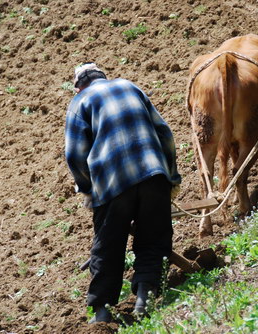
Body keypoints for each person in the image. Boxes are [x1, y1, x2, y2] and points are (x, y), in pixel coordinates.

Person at [64, 63, 181, 323]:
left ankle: (102, 312)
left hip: (113, 183)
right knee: (154, 238)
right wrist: (171, 176)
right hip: (153, 175)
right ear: (103, 78)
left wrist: (88, 189)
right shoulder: (130, 86)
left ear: (79, 86)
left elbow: (74, 155)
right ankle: (145, 299)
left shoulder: (80, 102)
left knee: (109, 245)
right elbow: (165, 134)